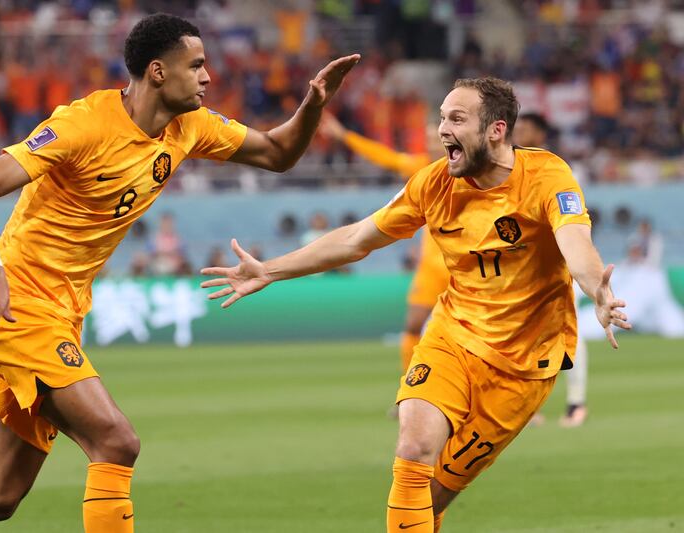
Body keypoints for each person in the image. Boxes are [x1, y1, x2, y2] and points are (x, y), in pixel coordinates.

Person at [0, 13, 359, 532]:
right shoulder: (83, 125)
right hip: (19, 302)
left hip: (64, 314)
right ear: (157, 72)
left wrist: (313, 104)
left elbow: (279, 151)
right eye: (196, 65)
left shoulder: (189, 127)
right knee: (116, 441)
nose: (207, 77)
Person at [201, 77, 631, 532]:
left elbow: (576, 243)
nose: (442, 129)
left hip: (523, 366)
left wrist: (596, 290)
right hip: (453, 337)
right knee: (414, 445)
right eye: (442, 117)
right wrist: (270, 269)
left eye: (457, 119)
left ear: (496, 130)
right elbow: (355, 239)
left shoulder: (547, 176)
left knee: (431, 498)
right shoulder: (432, 183)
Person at [320, 112, 449, 378]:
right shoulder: (422, 168)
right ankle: (409, 389)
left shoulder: (471, 171)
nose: (431, 143)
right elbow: (383, 156)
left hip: (462, 265)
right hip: (431, 267)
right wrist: (344, 136)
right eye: (427, 138)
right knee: (413, 325)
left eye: (434, 137)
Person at [513, 112, 589, 427]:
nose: (520, 133)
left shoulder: (557, 168)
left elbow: (571, 215)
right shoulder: (510, 166)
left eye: (526, 128)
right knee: (523, 333)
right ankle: (530, 405)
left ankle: (576, 403)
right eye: (518, 127)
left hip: (555, 260)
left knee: (567, 328)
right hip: (522, 265)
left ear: (541, 134)